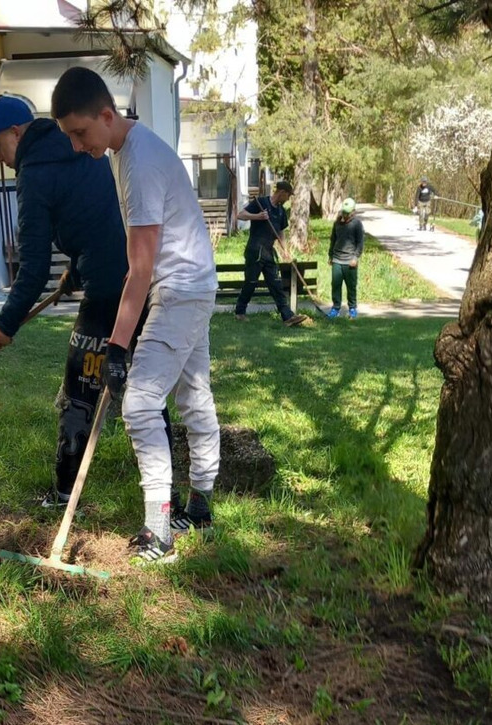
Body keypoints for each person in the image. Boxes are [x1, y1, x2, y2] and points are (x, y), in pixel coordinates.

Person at [51, 66, 221, 564]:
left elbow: (141, 268)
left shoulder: (140, 161)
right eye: (70, 137)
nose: (78, 146)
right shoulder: (124, 152)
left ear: (107, 114)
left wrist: (117, 348)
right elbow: (131, 247)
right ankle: (201, 508)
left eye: (80, 133)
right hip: (192, 281)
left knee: (141, 404)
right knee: (193, 394)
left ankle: (158, 531)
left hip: (180, 288)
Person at [0, 95, 174, 511]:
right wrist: (77, 271)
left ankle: (66, 494)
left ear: (16, 133)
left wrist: (6, 326)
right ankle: (167, 495)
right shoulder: (76, 144)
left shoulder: (34, 173)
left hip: (107, 291)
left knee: (79, 395)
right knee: (147, 390)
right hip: (137, 280)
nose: (0, 157)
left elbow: (31, 268)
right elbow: (96, 216)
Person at [232, 182, 310, 326]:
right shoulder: (261, 203)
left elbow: (280, 232)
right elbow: (240, 215)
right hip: (255, 250)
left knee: (276, 284)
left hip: (268, 251)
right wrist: (258, 216)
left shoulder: (280, 211)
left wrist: (284, 249)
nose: (288, 199)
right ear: (281, 192)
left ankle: (287, 316)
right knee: (251, 283)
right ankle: (240, 312)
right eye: (288, 195)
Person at [327, 198, 365, 319]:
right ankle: (335, 308)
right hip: (337, 259)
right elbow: (333, 239)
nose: (345, 215)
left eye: (348, 213)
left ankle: (352, 308)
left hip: (350, 261)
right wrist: (330, 256)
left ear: (353, 212)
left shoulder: (357, 224)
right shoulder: (337, 223)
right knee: (336, 285)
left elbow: (360, 243)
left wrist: (355, 258)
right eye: (344, 212)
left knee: (351, 286)